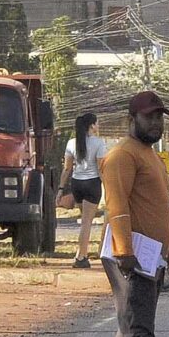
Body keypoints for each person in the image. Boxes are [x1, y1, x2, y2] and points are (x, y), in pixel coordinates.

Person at [101, 91, 169, 337]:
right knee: (138, 328)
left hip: (150, 255)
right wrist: (125, 250)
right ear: (131, 119)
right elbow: (116, 206)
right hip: (132, 254)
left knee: (130, 323)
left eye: (160, 117)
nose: (156, 123)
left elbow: (157, 212)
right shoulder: (122, 155)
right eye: (150, 117)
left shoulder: (147, 154)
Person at [64, 111, 104, 269]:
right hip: (92, 183)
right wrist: (108, 185)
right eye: (97, 123)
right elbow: (101, 168)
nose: (98, 125)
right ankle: (81, 256)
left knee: (84, 220)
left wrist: (61, 188)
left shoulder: (71, 143)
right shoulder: (99, 143)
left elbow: (67, 168)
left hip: (76, 183)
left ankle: (80, 253)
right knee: (87, 222)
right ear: (92, 125)